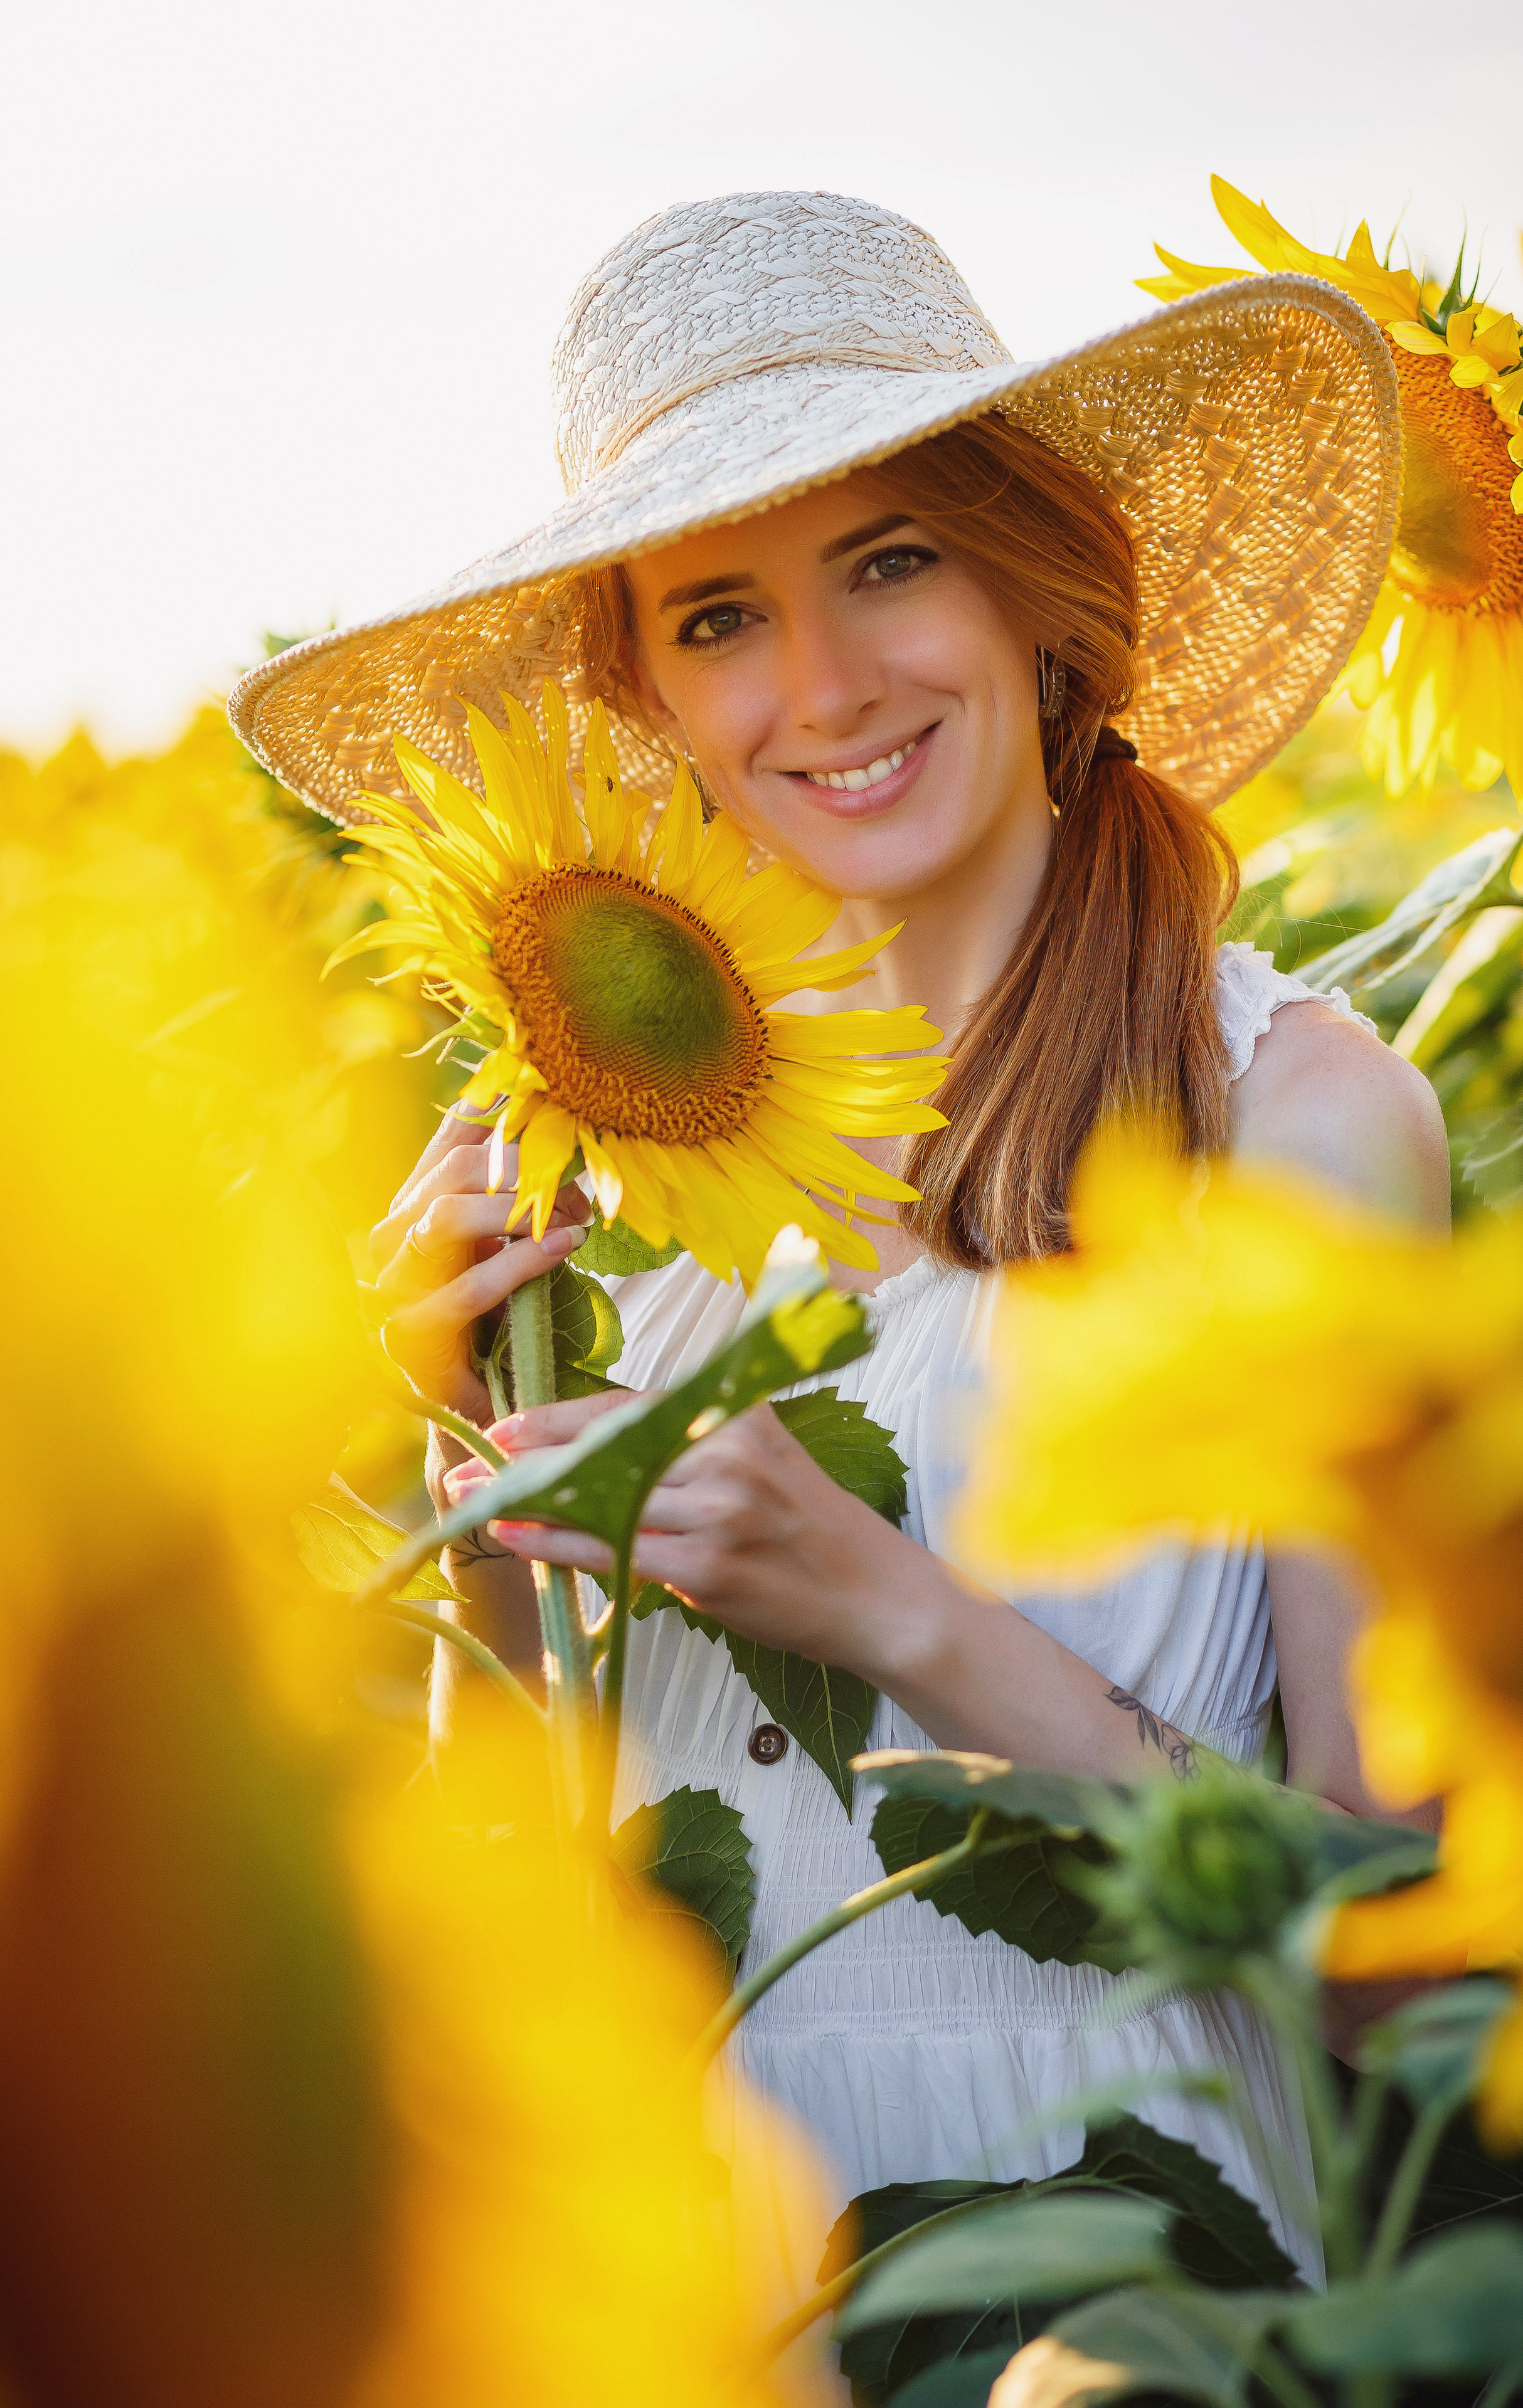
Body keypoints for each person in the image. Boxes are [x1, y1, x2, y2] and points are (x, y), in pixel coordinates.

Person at [233, 193, 1445, 2292]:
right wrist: (469, 1503)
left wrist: (896, 1609)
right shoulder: (587, 1164)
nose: (819, 686)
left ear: (1042, 591)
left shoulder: (1299, 1131)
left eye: (891, 562)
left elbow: (1407, 1967)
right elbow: (522, 1906)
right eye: (717, 616)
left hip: (1119, 2293)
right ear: (647, 701)